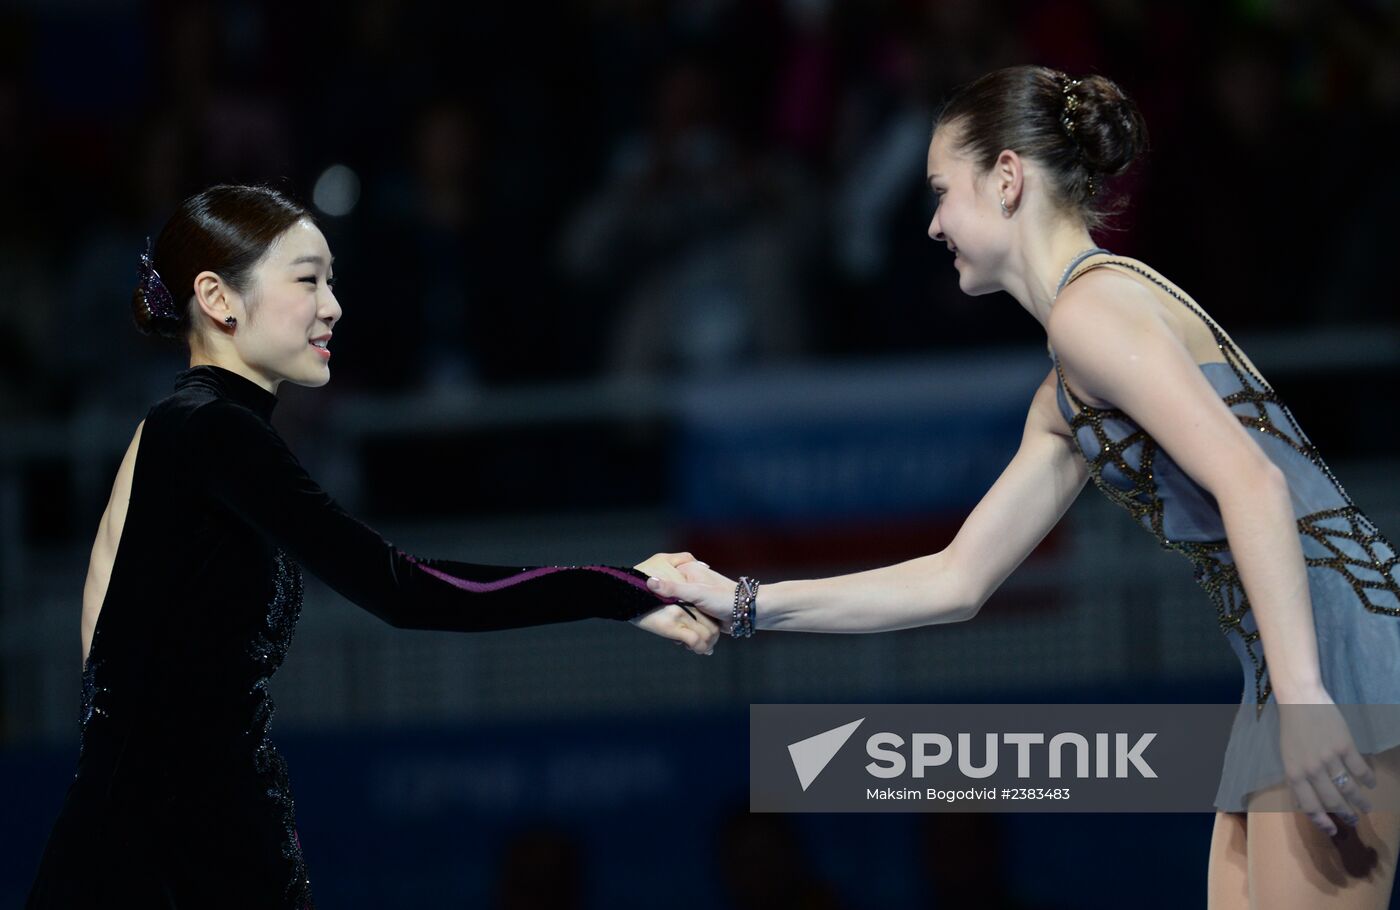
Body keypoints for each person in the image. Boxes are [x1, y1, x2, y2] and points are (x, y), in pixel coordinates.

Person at [647, 65, 1400, 909]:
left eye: (942, 191)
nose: (933, 223)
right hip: (1288, 665)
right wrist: (742, 603)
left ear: (1006, 179)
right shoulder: (1068, 385)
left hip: (1337, 652)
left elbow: (1254, 485)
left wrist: (1305, 699)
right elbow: (955, 580)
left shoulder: (1094, 313)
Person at [25, 184, 719, 909]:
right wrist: (618, 589)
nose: (333, 306)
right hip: (165, 847)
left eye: (332, 281)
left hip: (181, 827)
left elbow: (103, 646)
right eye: (307, 281)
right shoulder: (212, 430)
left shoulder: (173, 430)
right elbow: (401, 589)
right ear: (218, 298)